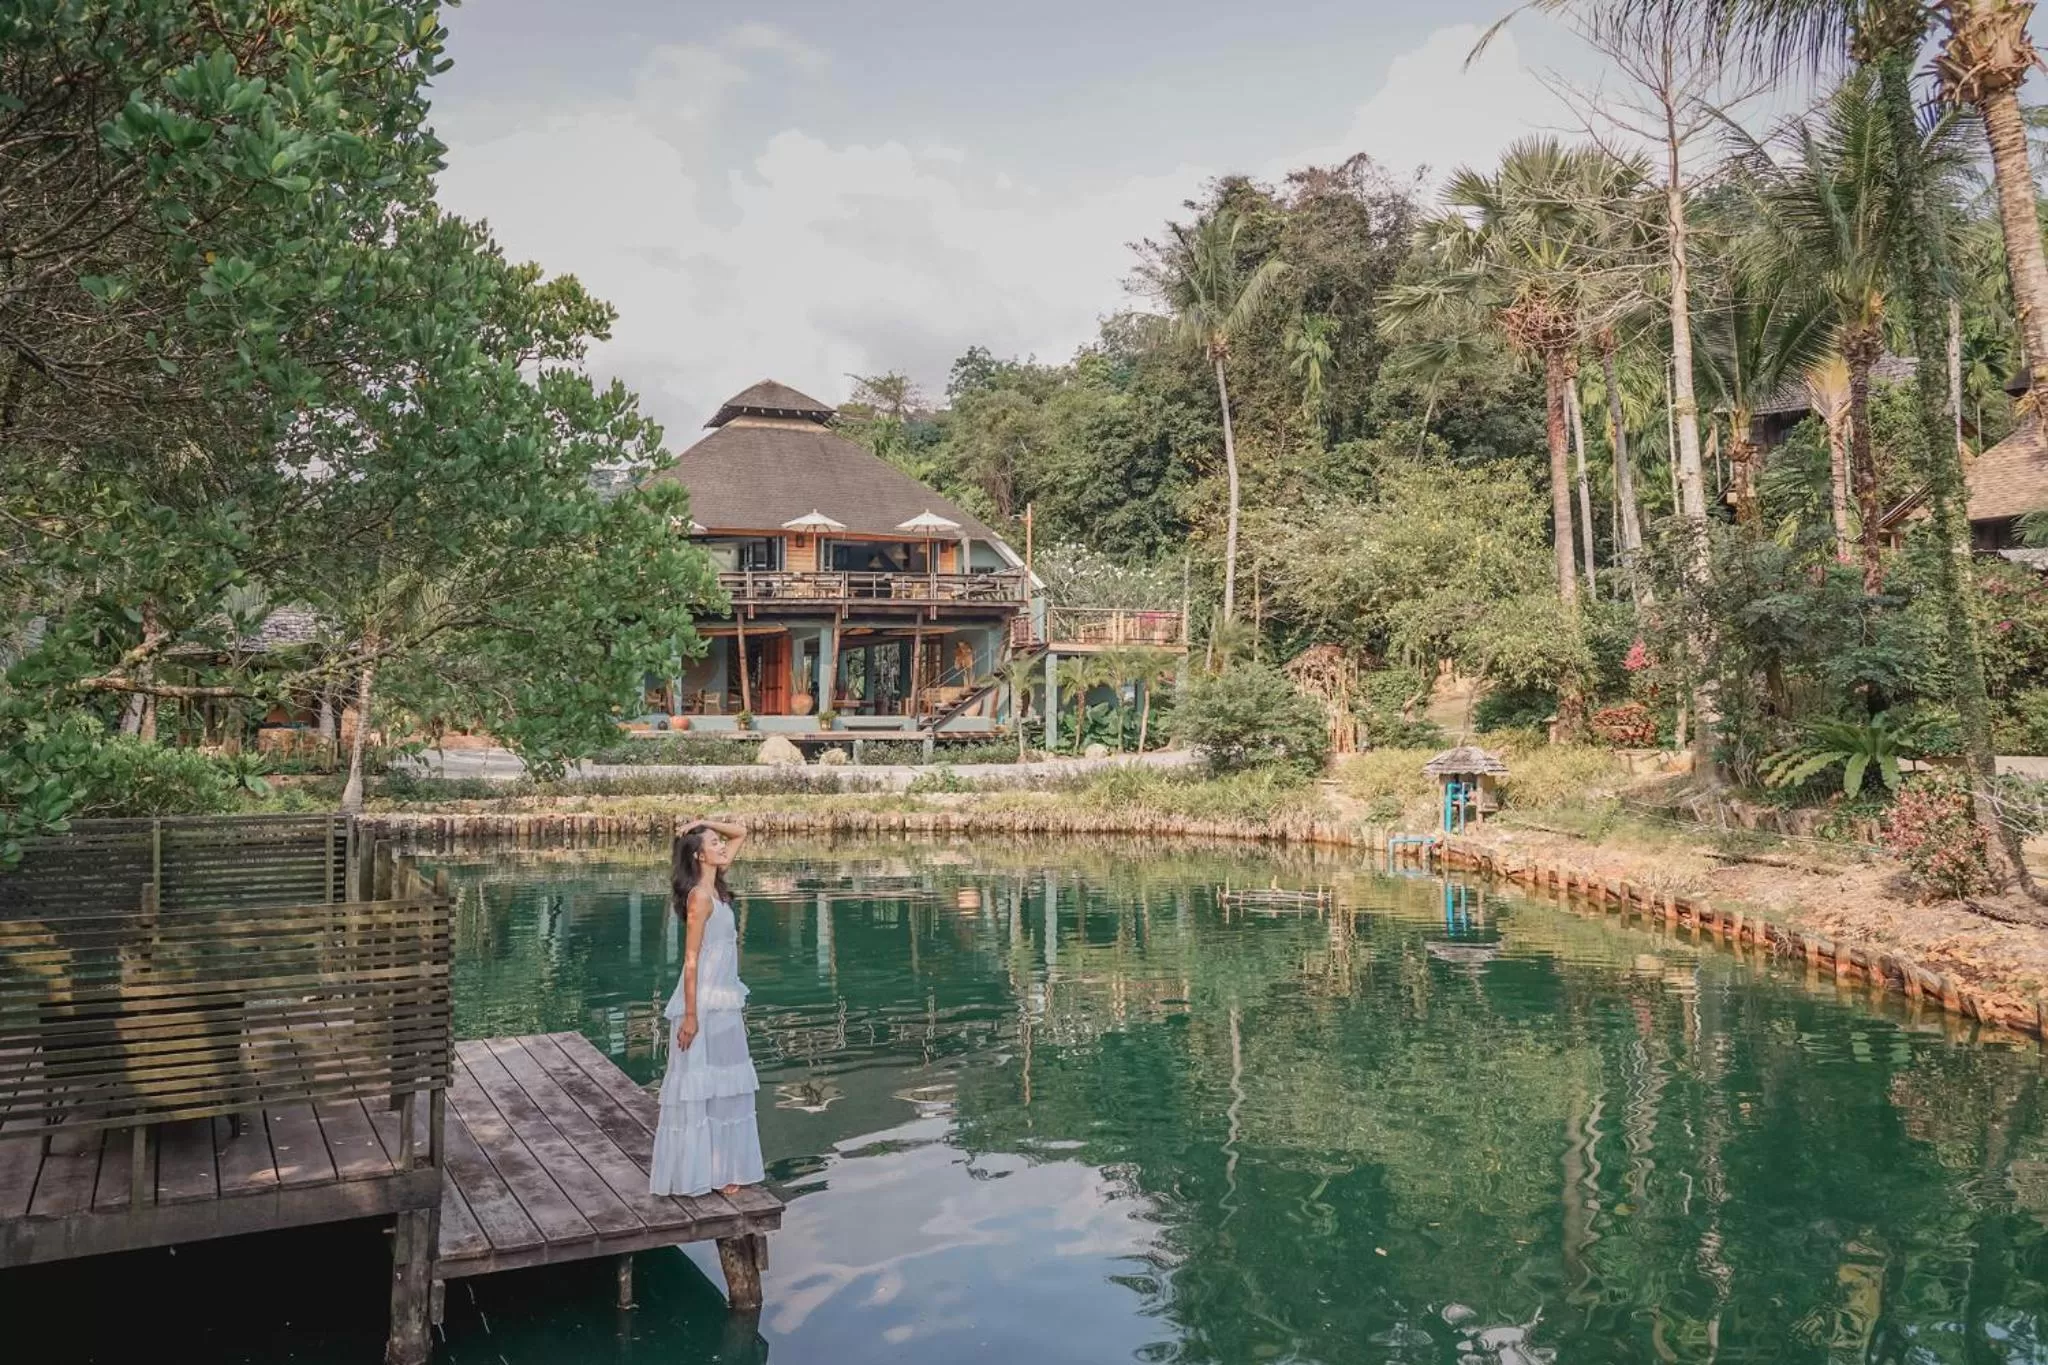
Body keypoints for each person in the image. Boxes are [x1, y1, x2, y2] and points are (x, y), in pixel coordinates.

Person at [650, 818, 765, 1197]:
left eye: (719, 842)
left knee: (727, 1083)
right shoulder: (700, 897)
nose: (721, 846)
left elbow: (741, 831)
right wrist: (690, 1015)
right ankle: (704, 1172)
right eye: (713, 843)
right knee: (703, 1085)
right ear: (699, 856)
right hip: (704, 1004)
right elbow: (691, 959)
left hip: (725, 1000)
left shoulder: (716, 889)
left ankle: (723, 1169)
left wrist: (702, 823)